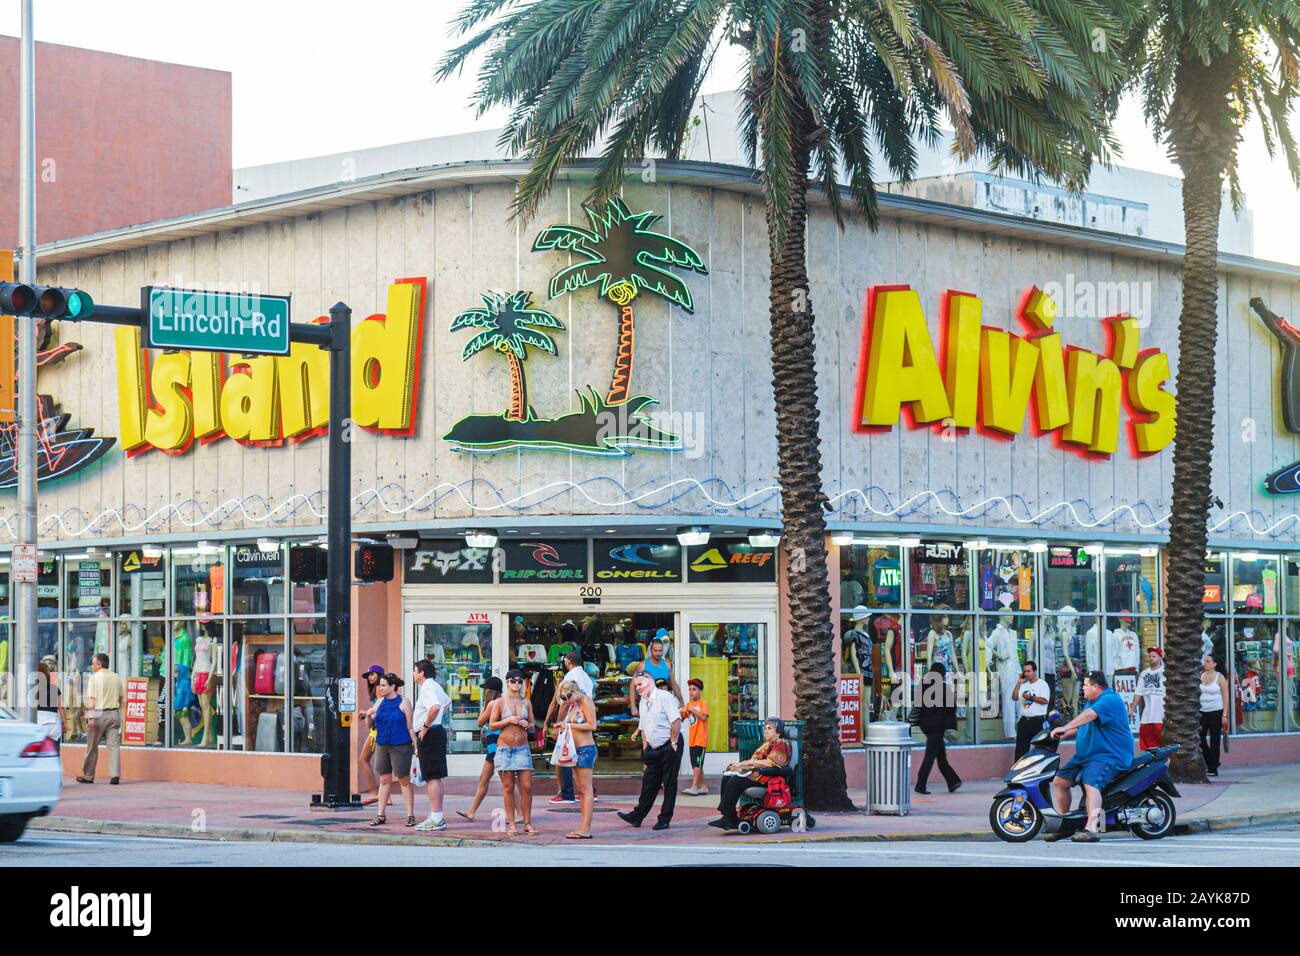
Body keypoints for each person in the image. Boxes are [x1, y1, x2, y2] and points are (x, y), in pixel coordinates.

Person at [1049, 671, 1134, 842]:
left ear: (1096, 686)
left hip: (1108, 756)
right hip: (1085, 756)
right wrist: (1061, 734)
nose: (1083, 689)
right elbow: (1081, 725)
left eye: (1086, 686)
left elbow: (1089, 716)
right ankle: (1067, 824)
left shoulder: (1110, 700)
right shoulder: (1091, 702)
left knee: (1091, 784)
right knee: (1059, 782)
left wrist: (1065, 727)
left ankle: (1092, 828)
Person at [618, 671, 682, 830]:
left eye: (640, 684)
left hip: (669, 745)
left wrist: (673, 743)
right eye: (636, 685)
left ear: (650, 682)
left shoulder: (664, 697)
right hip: (653, 748)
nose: (637, 688)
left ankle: (664, 819)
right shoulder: (643, 701)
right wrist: (646, 749)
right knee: (649, 783)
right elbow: (644, 726)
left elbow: (676, 721)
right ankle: (637, 816)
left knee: (669, 784)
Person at [709, 716, 791, 831]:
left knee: (735, 782)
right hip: (757, 776)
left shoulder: (781, 744)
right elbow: (755, 764)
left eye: (770, 728)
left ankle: (728, 818)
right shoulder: (767, 744)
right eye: (765, 728)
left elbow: (769, 764)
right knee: (727, 777)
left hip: (767, 779)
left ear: (778, 732)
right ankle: (728, 816)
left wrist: (745, 763)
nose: (766, 731)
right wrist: (738, 766)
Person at [487, 669, 539, 836]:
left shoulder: (527, 702)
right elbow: (491, 725)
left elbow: (532, 724)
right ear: (508, 683)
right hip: (505, 748)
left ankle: (527, 823)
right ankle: (512, 824)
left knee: (527, 787)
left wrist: (526, 724)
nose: (517, 684)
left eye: (519, 681)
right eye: (513, 681)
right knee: (508, 787)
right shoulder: (500, 702)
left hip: (523, 748)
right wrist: (508, 720)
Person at [360, 673, 416, 828]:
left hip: (401, 745)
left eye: (384, 685)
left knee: (403, 779)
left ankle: (410, 814)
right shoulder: (379, 702)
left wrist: (416, 746)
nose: (380, 688)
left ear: (393, 687)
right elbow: (371, 726)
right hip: (382, 744)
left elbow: (410, 727)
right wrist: (369, 717)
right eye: (380, 685)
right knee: (384, 780)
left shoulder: (404, 702)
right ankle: (380, 814)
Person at [543, 650, 596, 805]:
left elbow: (564, 703)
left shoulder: (570, 678)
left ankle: (566, 792)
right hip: (579, 722)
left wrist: (557, 725)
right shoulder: (586, 677)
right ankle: (587, 790)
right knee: (579, 764)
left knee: (564, 757)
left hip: (572, 723)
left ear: (567, 662)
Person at [411, 661, 452, 831]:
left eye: (415, 671)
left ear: (421, 673)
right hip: (435, 731)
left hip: (429, 733)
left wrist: (426, 726)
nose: (413, 674)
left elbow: (435, 706)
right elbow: (447, 703)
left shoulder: (428, 687)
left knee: (432, 777)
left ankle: (437, 818)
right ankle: (436, 815)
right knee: (435, 776)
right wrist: (435, 720)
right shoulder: (434, 685)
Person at [556, 674, 597, 839]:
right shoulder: (574, 704)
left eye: (566, 697)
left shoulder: (586, 701)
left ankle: (585, 829)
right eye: (563, 699)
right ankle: (582, 826)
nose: (565, 701)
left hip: (585, 749)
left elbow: (592, 725)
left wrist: (568, 725)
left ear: (574, 691)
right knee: (580, 790)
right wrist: (563, 726)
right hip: (575, 749)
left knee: (586, 790)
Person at [458, 676, 502, 823]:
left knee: (506, 783)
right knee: (484, 779)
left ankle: (520, 813)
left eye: (486, 690)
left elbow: (479, 722)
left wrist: (485, 706)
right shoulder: (503, 702)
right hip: (495, 747)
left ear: (490, 691)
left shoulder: (492, 704)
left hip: (494, 747)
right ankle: (471, 812)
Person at [914, 662, 962, 794]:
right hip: (938, 727)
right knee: (930, 756)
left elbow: (917, 707)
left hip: (926, 727)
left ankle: (953, 782)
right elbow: (951, 708)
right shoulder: (943, 688)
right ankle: (920, 784)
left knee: (941, 756)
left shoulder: (922, 687)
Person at [77, 653, 124, 785]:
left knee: (92, 747)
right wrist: (115, 708)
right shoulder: (116, 677)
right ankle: (115, 775)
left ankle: (88, 775)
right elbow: (120, 698)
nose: (92, 666)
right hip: (114, 714)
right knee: (114, 746)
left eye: (93, 663)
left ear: (99, 664)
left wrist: (90, 718)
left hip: (98, 714)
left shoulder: (94, 678)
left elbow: (92, 699)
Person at [630, 633, 683, 713]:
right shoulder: (642, 665)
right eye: (655, 651)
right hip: (647, 705)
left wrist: (681, 702)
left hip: (664, 704)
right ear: (651, 650)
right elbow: (632, 685)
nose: (658, 653)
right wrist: (633, 706)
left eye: (660, 651)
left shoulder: (667, 664)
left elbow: (673, 684)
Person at [357, 664, 385, 805]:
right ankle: (385, 797)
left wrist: (366, 712)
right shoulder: (377, 690)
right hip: (377, 730)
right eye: (368, 675)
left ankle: (375, 793)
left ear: (379, 675)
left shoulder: (379, 689)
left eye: (372, 674)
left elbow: (378, 708)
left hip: (377, 731)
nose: (369, 677)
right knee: (382, 763)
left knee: (363, 759)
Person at [1012, 660, 1051, 760]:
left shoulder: (1042, 684)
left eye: (1029, 671)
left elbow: (1045, 701)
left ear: (1035, 671)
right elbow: (1014, 697)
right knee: (1020, 750)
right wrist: (1019, 682)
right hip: (1024, 720)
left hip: (1038, 721)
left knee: (1041, 749)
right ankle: (1019, 773)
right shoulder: (1024, 685)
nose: (1026, 674)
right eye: (1025, 672)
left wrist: (1030, 697)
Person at [1199, 653, 1230, 776]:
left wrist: (1225, 715)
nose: (1205, 663)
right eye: (1205, 661)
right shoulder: (1201, 675)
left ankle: (1213, 768)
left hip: (1216, 711)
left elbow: (1226, 696)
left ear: (1214, 664)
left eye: (1208, 661)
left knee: (1214, 739)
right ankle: (1211, 762)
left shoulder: (1219, 677)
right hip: (1202, 711)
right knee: (1200, 738)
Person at [1130, 647, 1166, 751]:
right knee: (1147, 746)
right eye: (1149, 656)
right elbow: (1138, 693)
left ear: (1160, 657)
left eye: (1153, 656)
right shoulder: (1143, 674)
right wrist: (1132, 709)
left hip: (1160, 717)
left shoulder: (1165, 672)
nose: (1151, 658)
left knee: (1161, 746)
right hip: (1146, 717)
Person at [681, 677, 710, 794]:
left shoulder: (703, 703)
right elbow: (682, 718)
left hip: (701, 739)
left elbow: (703, 717)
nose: (691, 692)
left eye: (694, 689)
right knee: (696, 764)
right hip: (692, 739)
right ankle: (703, 787)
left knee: (697, 764)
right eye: (690, 689)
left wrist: (692, 709)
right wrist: (683, 711)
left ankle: (694, 787)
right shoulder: (689, 704)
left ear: (700, 691)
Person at [34, 661, 64, 751]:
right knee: (55, 755)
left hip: (38, 724)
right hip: (53, 725)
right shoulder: (54, 689)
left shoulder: (32, 690)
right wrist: (65, 723)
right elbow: (61, 708)